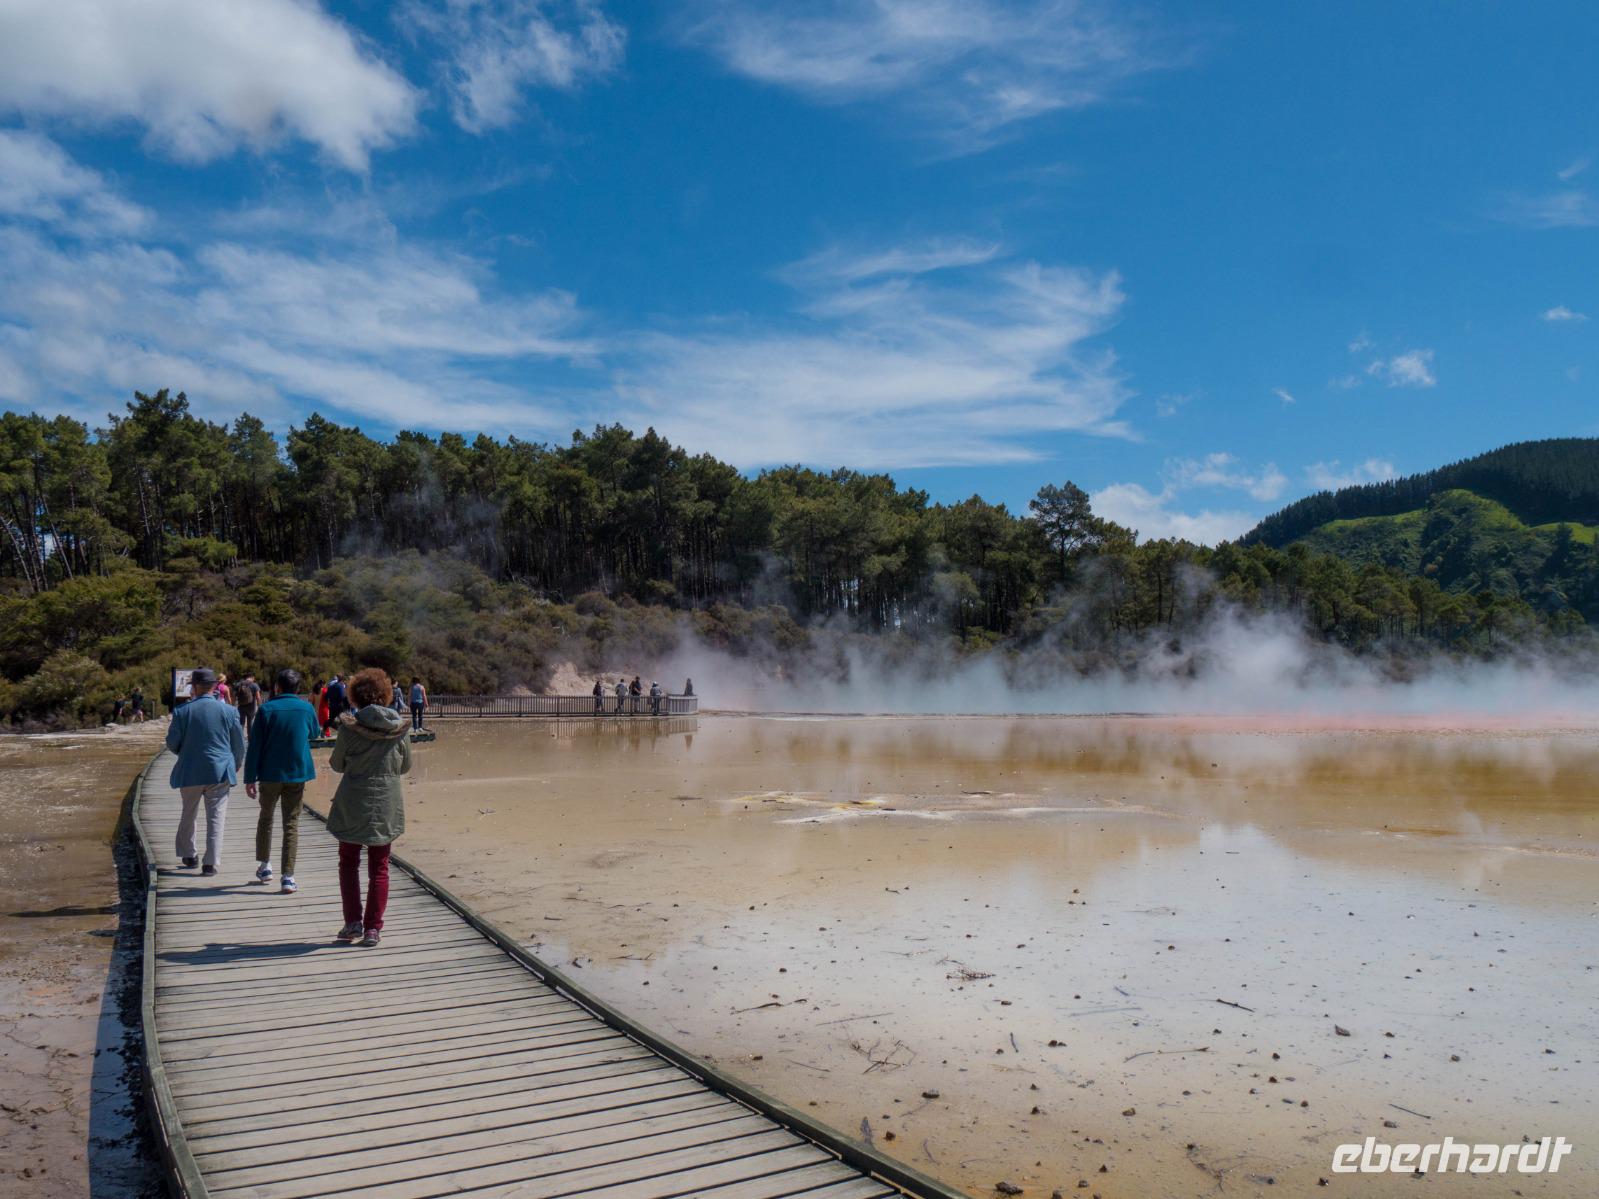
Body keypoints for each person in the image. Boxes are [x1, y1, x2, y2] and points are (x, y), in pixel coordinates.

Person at [328, 668, 412, 947]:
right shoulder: (399, 729)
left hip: (353, 800)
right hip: (386, 802)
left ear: (355, 696)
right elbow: (405, 766)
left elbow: (337, 764)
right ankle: (373, 928)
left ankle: (353, 922)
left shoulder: (348, 729)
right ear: (386, 694)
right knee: (380, 866)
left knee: (348, 862)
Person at [243, 668, 320, 894]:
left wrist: (249, 778)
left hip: (269, 773)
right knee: (291, 823)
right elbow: (314, 733)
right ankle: (288, 876)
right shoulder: (306, 708)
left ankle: (265, 866)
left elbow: (255, 746)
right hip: (297, 772)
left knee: (266, 818)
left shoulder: (266, 710)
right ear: (298, 688)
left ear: (277, 687)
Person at [165, 668, 244, 875]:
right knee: (216, 816)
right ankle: (210, 863)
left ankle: (189, 854)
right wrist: (236, 762)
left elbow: (172, 743)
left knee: (188, 812)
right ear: (215, 686)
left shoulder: (182, 711)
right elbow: (238, 743)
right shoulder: (229, 711)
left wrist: (184, 752)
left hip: (190, 769)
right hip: (219, 770)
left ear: (194, 686)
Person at [236, 673, 262, 738]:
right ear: (252, 677)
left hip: (241, 706)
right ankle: (250, 738)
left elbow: (234, 695)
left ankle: (240, 737)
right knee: (250, 722)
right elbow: (258, 697)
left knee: (241, 722)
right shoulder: (254, 685)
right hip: (251, 707)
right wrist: (260, 706)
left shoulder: (239, 684)